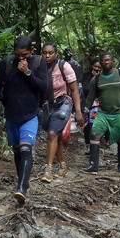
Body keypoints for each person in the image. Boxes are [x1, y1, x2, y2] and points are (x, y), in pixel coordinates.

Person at [0, 36, 47, 204]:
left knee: (26, 149)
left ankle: (22, 188)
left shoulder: (38, 63)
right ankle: (22, 181)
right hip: (11, 115)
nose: (21, 58)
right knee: (16, 151)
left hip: (30, 114)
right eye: (18, 55)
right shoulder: (6, 63)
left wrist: (27, 72)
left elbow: (43, 86)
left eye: (25, 55)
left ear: (31, 51)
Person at [82, 53, 120, 174]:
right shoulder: (96, 80)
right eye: (103, 61)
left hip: (119, 112)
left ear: (113, 61)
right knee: (95, 134)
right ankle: (93, 164)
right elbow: (90, 98)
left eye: (108, 60)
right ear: (100, 63)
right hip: (102, 112)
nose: (106, 62)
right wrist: (83, 113)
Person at [39, 42, 84, 183]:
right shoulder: (38, 66)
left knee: (52, 134)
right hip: (47, 104)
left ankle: (48, 169)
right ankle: (63, 166)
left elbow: (75, 89)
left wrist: (78, 112)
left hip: (63, 102)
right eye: (44, 53)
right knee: (55, 135)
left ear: (56, 53)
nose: (47, 56)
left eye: (50, 53)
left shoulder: (64, 66)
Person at [81, 57, 102, 155]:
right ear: (91, 66)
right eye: (95, 66)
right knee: (87, 126)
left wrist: (98, 79)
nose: (97, 69)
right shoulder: (86, 76)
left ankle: (96, 146)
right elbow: (86, 89)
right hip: (88, 103)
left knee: (96, 126)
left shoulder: (103, 76)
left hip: (100, 104)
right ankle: (88, 145)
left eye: (99, 67)